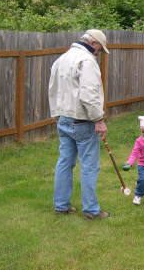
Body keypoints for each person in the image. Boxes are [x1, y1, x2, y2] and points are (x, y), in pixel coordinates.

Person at [48, 29, 110, 220]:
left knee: (65, 162)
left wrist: (56, 114)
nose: (99, 53)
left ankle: (61, 206)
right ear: (94, 44)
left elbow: (52, 89)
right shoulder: (87, 61)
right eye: (100, 48)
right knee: (90, 166)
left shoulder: (62, 59)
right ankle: (91, 210)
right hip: (82, 121)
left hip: (64, 118)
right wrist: (98, 119)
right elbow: (89, 94)